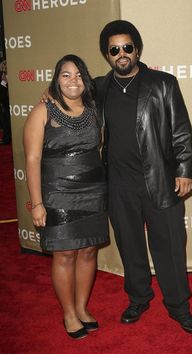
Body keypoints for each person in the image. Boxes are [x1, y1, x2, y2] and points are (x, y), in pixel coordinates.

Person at [95, 20, 192, 335]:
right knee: (129, 246)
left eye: (127, 47)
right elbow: (68, 96)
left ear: (137, 49)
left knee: (169, 246)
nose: (122, 54)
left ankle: (179, 307)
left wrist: (184, 170)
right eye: (114, 50)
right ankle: (139, 297)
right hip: (118, 183)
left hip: (160, 179)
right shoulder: (99, 87)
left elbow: (181, 130)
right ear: (107, 55)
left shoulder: (163, 83)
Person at [24, 54, 109, 339]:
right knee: (64, 254)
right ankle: (69, 313)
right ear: (56, 79)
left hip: (93, 191)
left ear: (86, 79)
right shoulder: (43, 111)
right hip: (57, 194)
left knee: (87, 251)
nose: (73, 81)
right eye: (65, 75)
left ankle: (82, 308)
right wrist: (37, 203)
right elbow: (33, 159)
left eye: (78, 75)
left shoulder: (95, 110)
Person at [0, 60, 11, 144]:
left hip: (9, 101)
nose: (3, 69)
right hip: (4, 102)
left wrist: (5, 83)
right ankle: (6, 138)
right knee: (5, 121)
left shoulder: (10, 76)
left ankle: (7, 139)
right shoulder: (3, 76)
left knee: (7, 121)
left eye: (5, 67)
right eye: (2, 67)